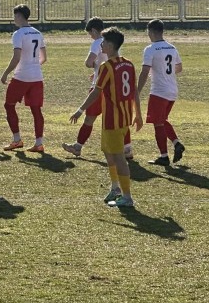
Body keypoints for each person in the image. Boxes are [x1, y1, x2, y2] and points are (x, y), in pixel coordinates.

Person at [71, 27, 143, 208]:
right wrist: (138, 114)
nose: (100, 45)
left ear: (110, 46)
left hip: (113, 119)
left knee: (119, 157)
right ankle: (115, 188)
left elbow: (96, 92)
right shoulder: (128, 63)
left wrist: (80, 110)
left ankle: (126, 196)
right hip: (125, 116)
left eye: (103, 43)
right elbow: (134, 90)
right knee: (108, 151)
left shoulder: (107, 67)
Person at [63, 17, 133, 159]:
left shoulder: (97, 43)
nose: (91, 37)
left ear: (94, 30)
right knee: (121, 119)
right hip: (116, 84)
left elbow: (89, 62)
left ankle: (78, 146)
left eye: (90, 34)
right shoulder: (116, 43)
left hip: (102, 85)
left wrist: (79, 110)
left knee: (89, 119)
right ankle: (127, 149)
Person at [136, 19, 184, 166]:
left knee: (158, 123)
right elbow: (179, 68)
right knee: (162, 120)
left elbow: (144, 72)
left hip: (159, 91)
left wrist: (137, 92)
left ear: (150, 32)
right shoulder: (172, 47)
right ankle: (176, 143)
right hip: (172, 90)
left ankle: (163, 156)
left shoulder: (150, 49)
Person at [0, 4, 47, 153]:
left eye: (15, 16)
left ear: (19, 16)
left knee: (9, 105)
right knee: (36, 110)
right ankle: (39, 143)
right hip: (37, 76)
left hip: (21, 76)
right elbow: (44, 58)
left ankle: (16, 139)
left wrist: (6, 72)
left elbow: (17, 56)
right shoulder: (38, 33)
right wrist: (33, 65)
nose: (14, 19)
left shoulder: (18, 34)